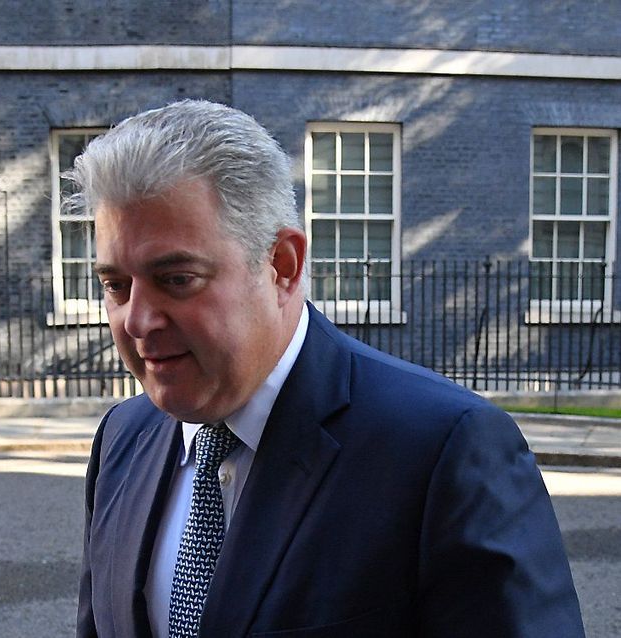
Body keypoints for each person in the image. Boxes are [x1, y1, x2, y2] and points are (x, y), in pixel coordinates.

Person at [69, 100, 584, 637]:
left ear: (282, 266)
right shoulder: (121, 439)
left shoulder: (442, 451)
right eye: (115, 285)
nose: (137, 321)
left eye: (177, 279)